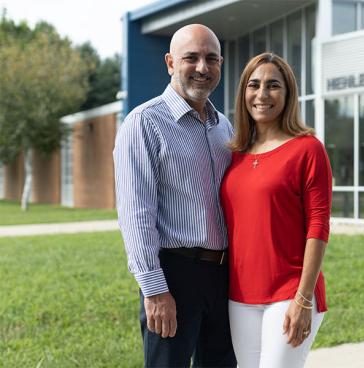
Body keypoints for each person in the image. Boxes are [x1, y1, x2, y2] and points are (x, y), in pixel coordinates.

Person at [113, 24, 236, 368]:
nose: (202, 67)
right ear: (170, 62)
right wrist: (154, 289)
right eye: (191, 58)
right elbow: (136, 213)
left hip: (224, 275)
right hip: (174, 275)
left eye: (211, 58)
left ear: (220, 64)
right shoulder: (143, 123)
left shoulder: (223, 127)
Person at [220, 53, 333, 368]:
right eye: (254, 85)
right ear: (244, 93)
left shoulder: (308, 149)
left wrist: (303, 298)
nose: (262, 94)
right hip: (240, 294)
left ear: (288, 94)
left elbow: (318, 227)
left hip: (290, 291)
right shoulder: (234, 154)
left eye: (273, 85)